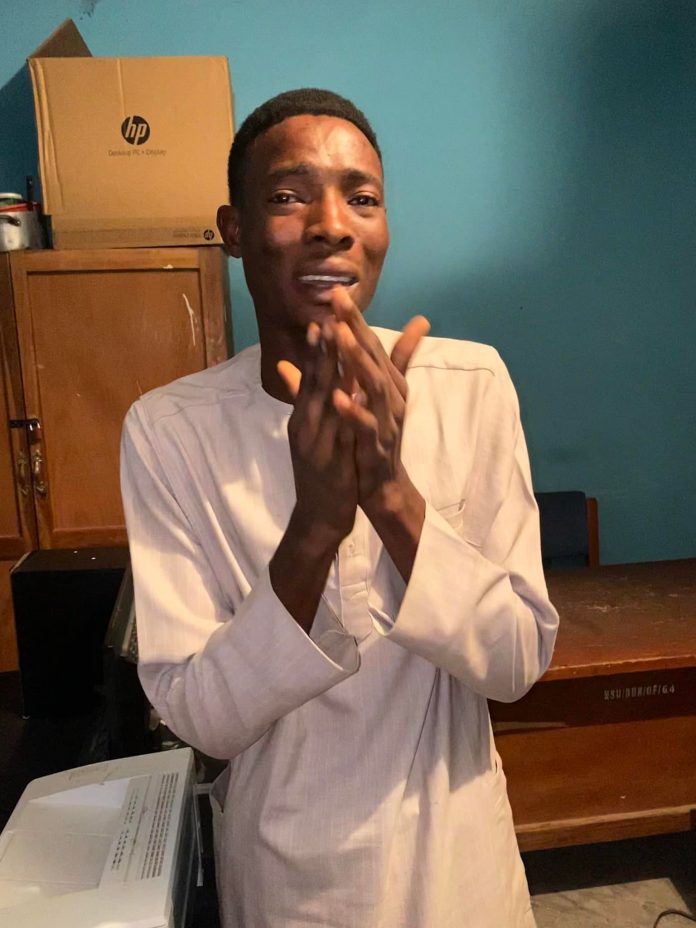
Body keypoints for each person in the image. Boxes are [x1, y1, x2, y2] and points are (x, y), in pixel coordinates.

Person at [120, 88, 559, 928]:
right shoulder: (170, 431)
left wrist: (390, 495)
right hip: (290, 882)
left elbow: (514, 663)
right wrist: (315, 529)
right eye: (290, 195)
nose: (332, 224)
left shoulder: (471, 387)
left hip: (460, 866)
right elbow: (204, 722)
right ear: (234, 229)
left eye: (362, 197)